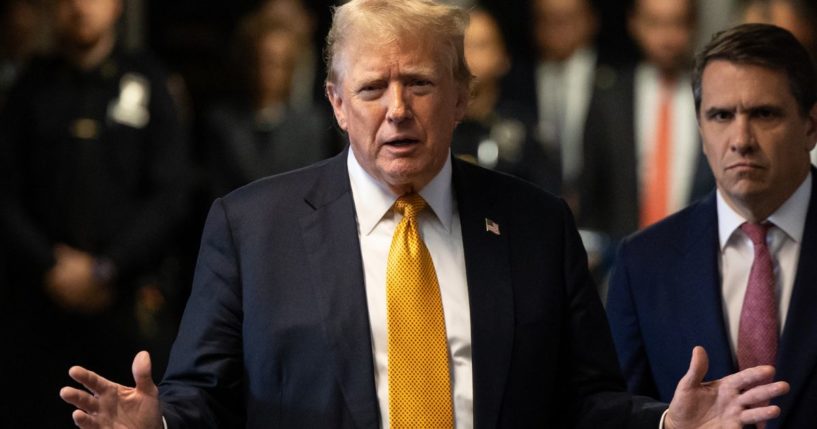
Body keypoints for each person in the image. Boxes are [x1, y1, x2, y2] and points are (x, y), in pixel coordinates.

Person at [59, 2, 788, 428]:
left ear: (462, 94)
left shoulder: (535, 225)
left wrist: (659, 423)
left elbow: (585, 399)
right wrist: (156, 421)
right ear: (337, 103)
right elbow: (201, 395)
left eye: (419, 83)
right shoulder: (252, 227)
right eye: (373, 88)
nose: (398, 110)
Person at [606, 23, 817, 428]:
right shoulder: (643, 262)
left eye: (764, 114)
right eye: (721, 116)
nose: (741, 138)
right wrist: (668, 423)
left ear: (810, 126)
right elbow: (610, 409)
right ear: (702, 132)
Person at [0, 0, 189, 426]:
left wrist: (108, 267)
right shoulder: (31, 86)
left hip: (126, 306)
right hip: (40, 307)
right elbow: (6, 192)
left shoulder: (150, 80)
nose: (79, 6)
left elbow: (171, 195)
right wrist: (48, 264)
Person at [581, 0, 714, 240]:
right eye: (655, 23)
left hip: (696, 248)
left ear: (693, 25)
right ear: (634, 24)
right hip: (621, 253)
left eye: (677, 23)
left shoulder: (712, 95)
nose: (667, 37)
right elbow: (591, 190)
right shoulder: (609, 97)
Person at [203, 13, 336, 199]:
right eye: (258, 61)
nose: (266, 72)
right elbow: (217, 191)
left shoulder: (313, 125)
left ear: (291, 69)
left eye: (276, 64)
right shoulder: (223, 122)